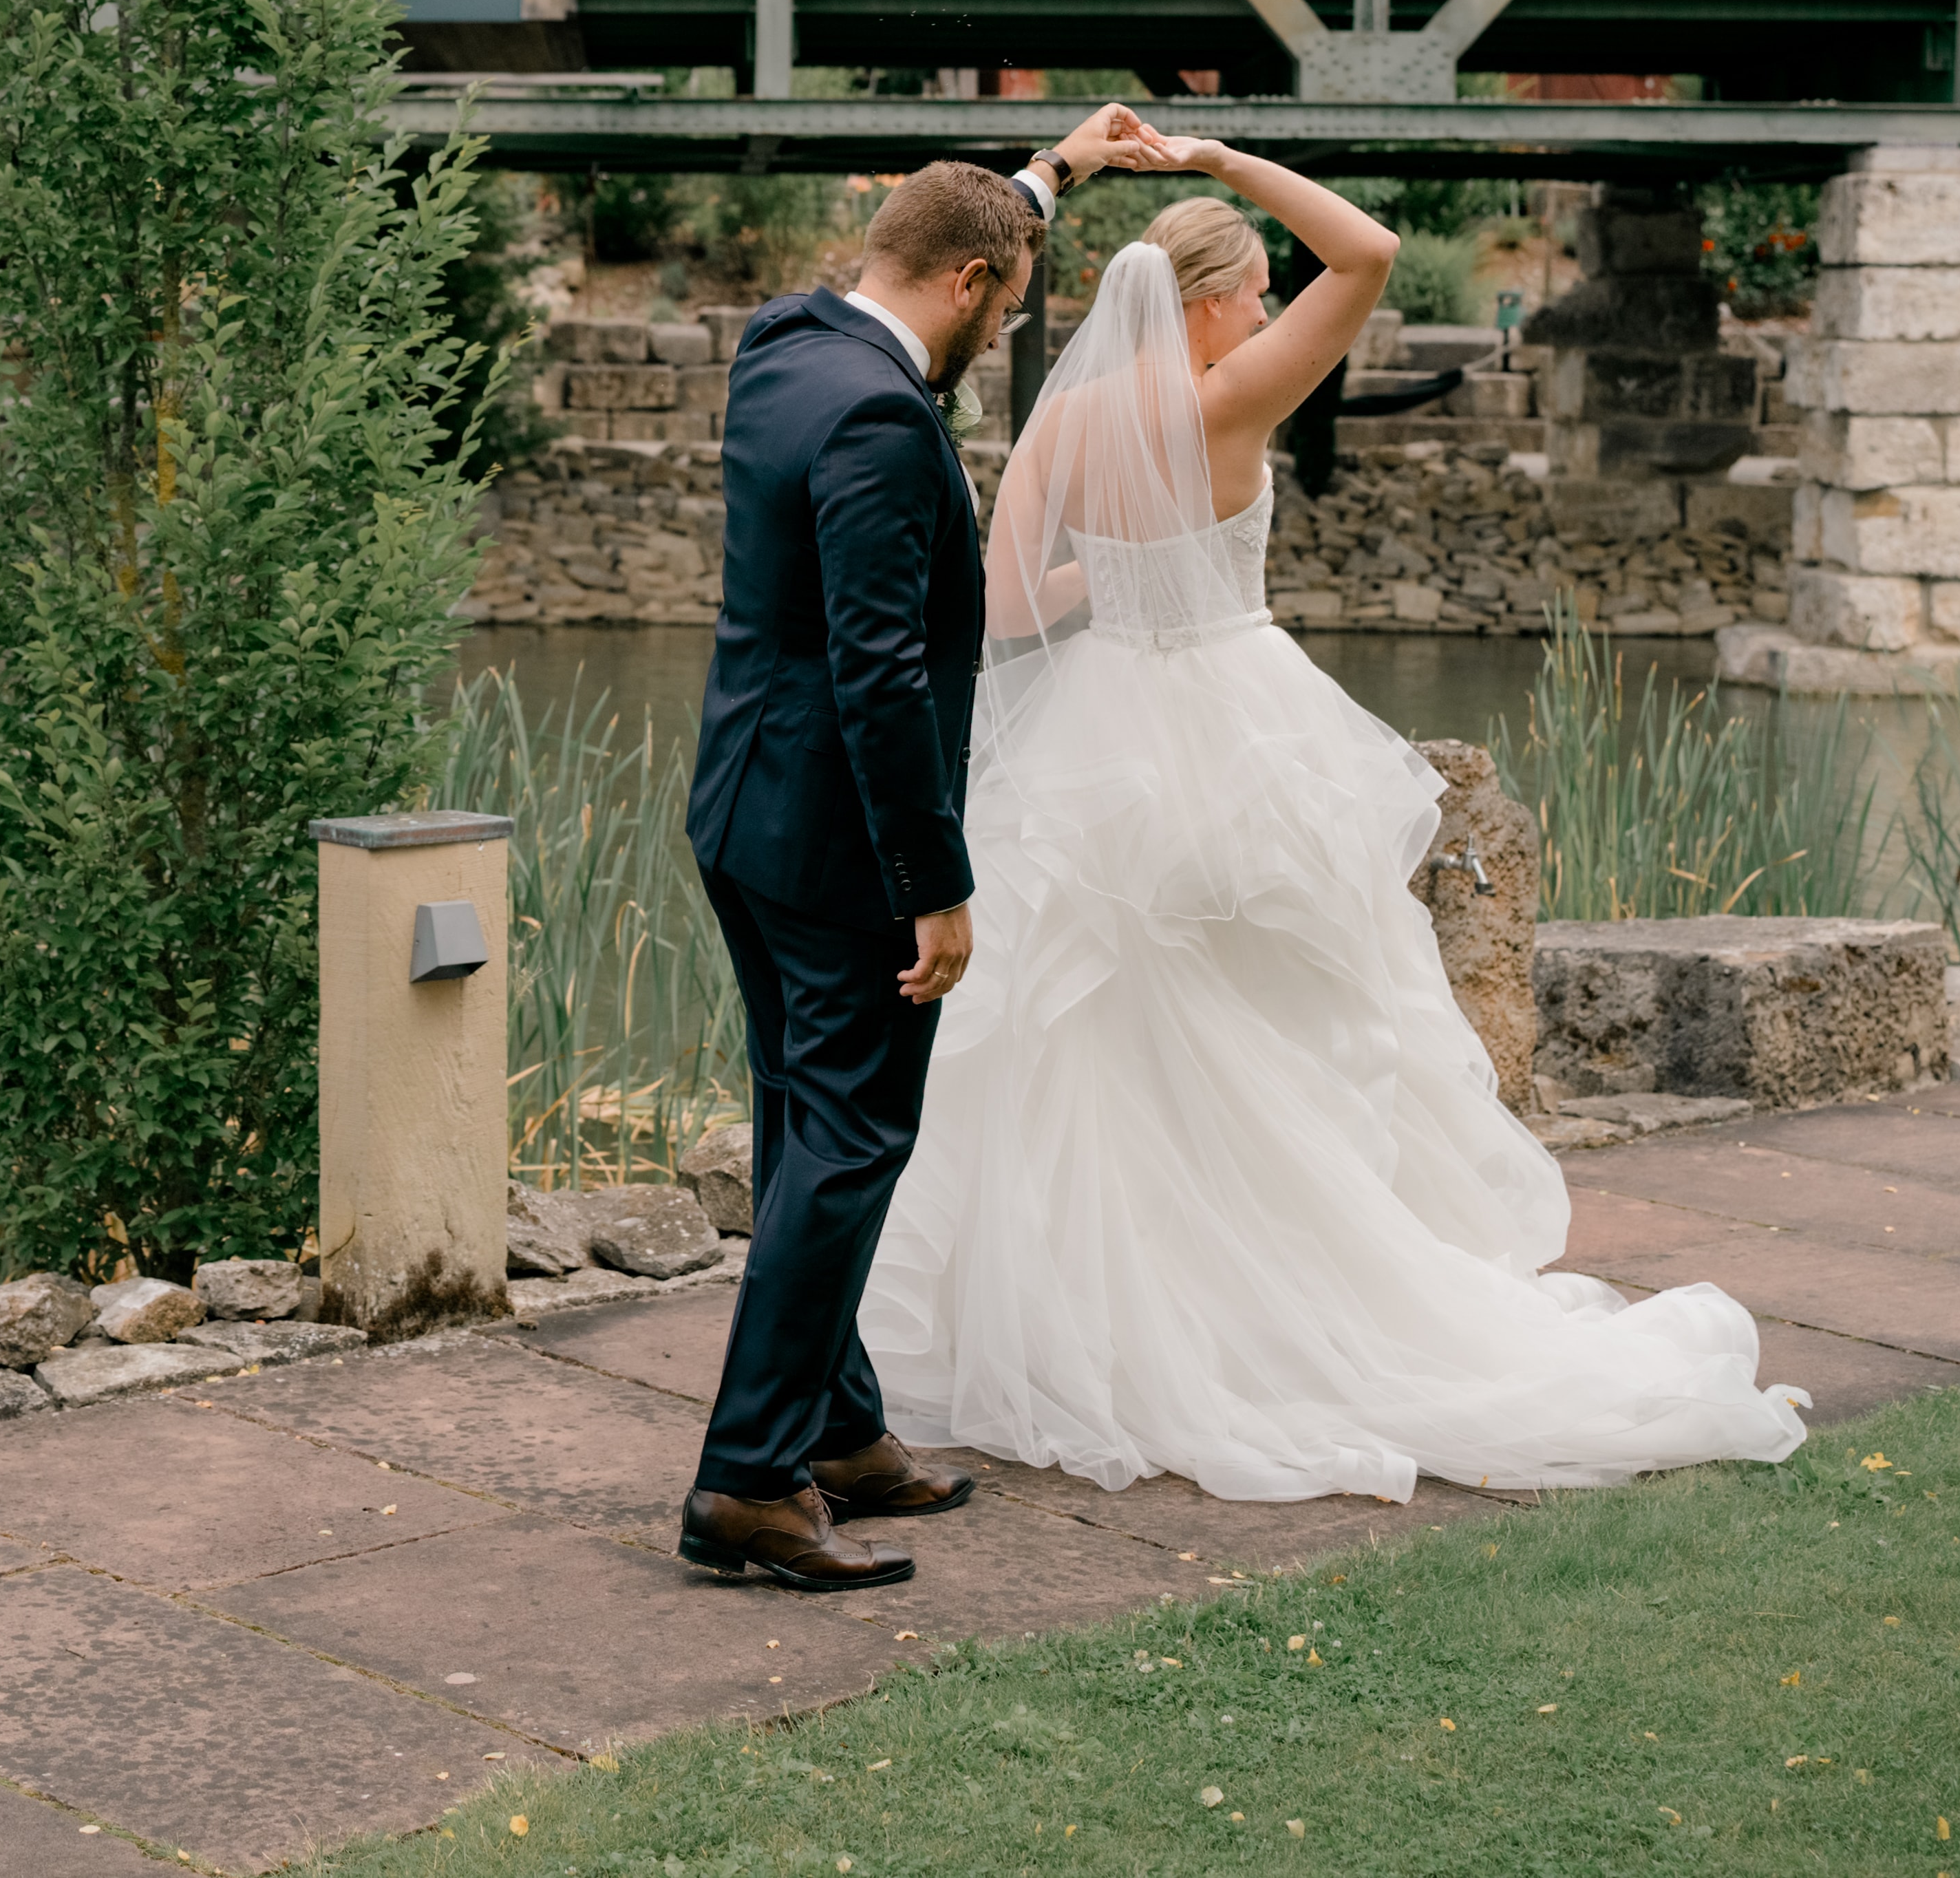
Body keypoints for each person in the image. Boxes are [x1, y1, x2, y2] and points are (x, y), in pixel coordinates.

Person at [858, 134, 1811, 1502]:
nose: (1259, 312)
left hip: (1099, 736)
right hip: (1236, 727)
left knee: (1106, 1049)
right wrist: (1216, 153)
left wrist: (1122, 585)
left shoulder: (1061, 424)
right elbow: (1362, 250)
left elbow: (1001, 609)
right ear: (1203, 302)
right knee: (1279, 1036)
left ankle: (1123, 1331)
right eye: (1249, 291)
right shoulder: (1228, 397)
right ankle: (1278, 1319)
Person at [677, 102, 1164, 1590]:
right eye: (1002, 305)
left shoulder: (785, 341)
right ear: (963, 289)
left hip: (737, 814)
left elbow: (952, 229)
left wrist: (1051, 173)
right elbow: (881, 671)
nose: (995, 328)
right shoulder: (885, 422)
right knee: (851, 1140)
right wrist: (933, 887)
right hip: (836, 846)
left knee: (796, 1120)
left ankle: (835, 1427)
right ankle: (748, 1481)